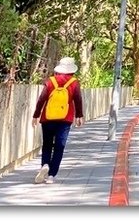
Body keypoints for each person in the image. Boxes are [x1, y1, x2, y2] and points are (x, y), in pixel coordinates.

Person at [31, 56, 85, 184]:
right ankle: (51, 176)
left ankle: (45, 164)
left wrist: (36, 115)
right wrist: (79, 116)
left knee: (47, 144)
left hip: (47, 118)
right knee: (59, 147)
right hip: (65, 119)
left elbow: (42, 99)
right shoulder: (74, 82)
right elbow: (78, 100)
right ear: (72, 70)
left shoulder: (51, 81)